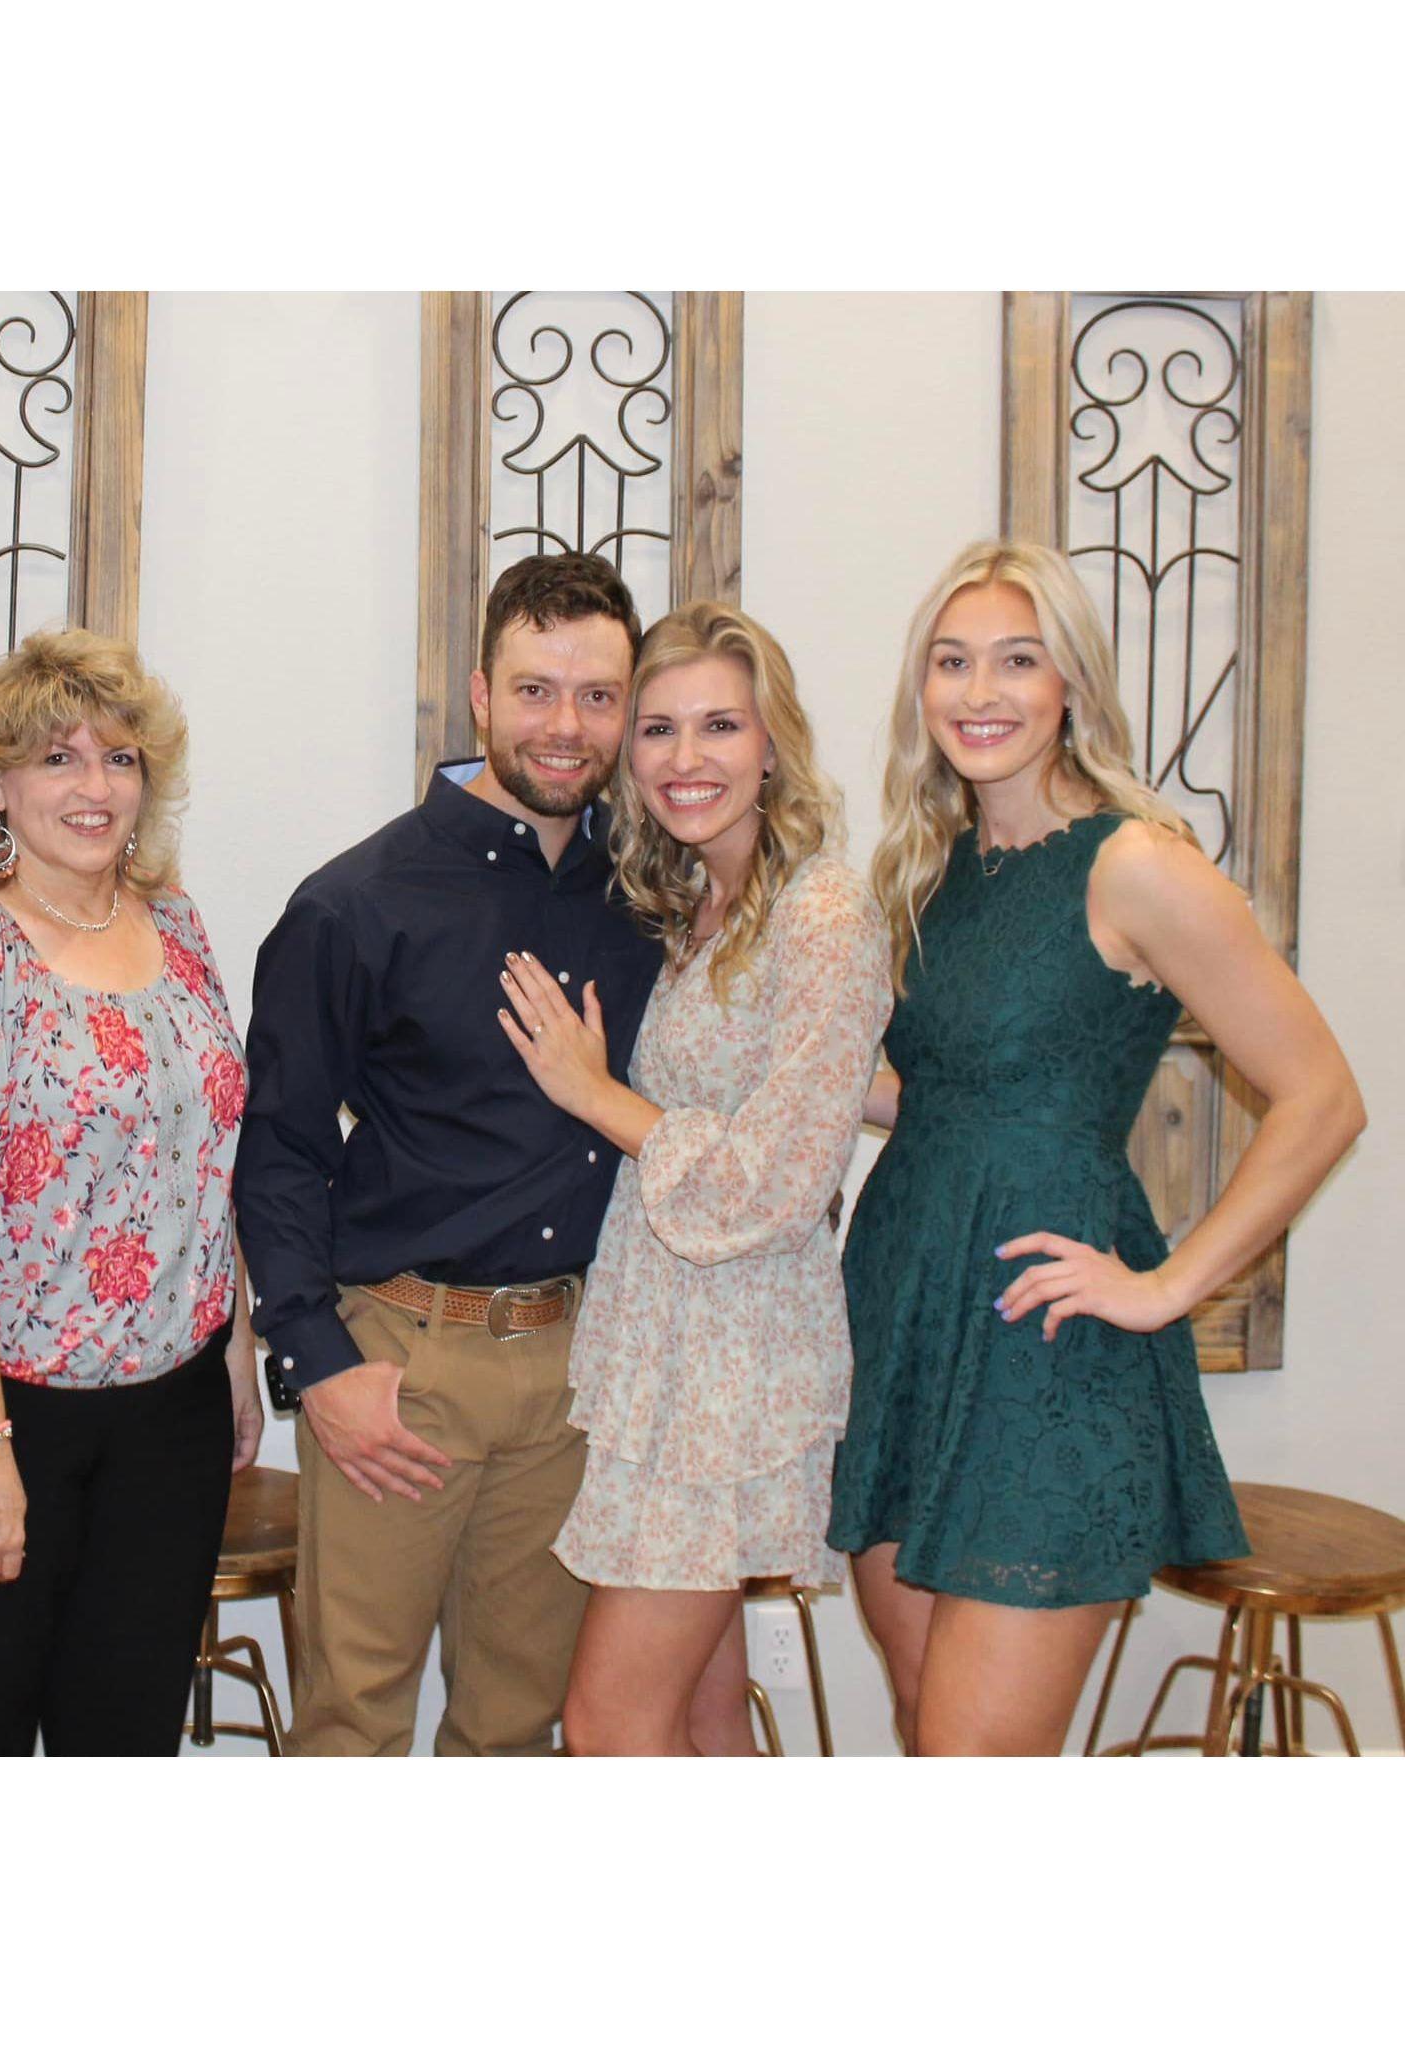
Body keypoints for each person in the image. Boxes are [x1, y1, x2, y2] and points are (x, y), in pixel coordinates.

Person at [829, 539, 1365, 1755]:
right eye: (950, 662)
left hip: (1044, 1345)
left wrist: (1167, 1283)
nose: (978, 692)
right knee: (924, 1733)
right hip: (905, 1320)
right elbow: (942, 1096)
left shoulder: (1135, 864)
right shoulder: (927, 867)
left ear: (1069, 684)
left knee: (976, 1765)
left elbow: (1321, 1097)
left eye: (1015, 661)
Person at [235, 552, 663, 1756]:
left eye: (595, 694)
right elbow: (277, 1145)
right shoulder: (354, 902)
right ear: (478, 693)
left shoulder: (646, 900)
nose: (566, 724)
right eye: (536, 689)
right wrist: (319, 1362)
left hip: (577, 1369)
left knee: (515, 1725)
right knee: (352, 1718)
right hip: (401, 1365)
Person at [0, 628, 260, 1757]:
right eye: (58, 758)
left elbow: (205, 1161)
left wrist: (232, 1353)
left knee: (121, 1739)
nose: (93, 786)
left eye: (119, 760)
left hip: (166, 1410)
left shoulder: (173, 921)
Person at [496, 602, 888, 1755]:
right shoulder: (697, 904)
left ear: (772, 741)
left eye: (718, 724)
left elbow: (772, 1182)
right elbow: (798, 1082)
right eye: (657, 728)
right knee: (703, 1713)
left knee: (609, 1719)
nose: (683, 758)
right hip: (664, 1353)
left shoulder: (820, 907)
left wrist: (592, 1089)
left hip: (733, 1369)